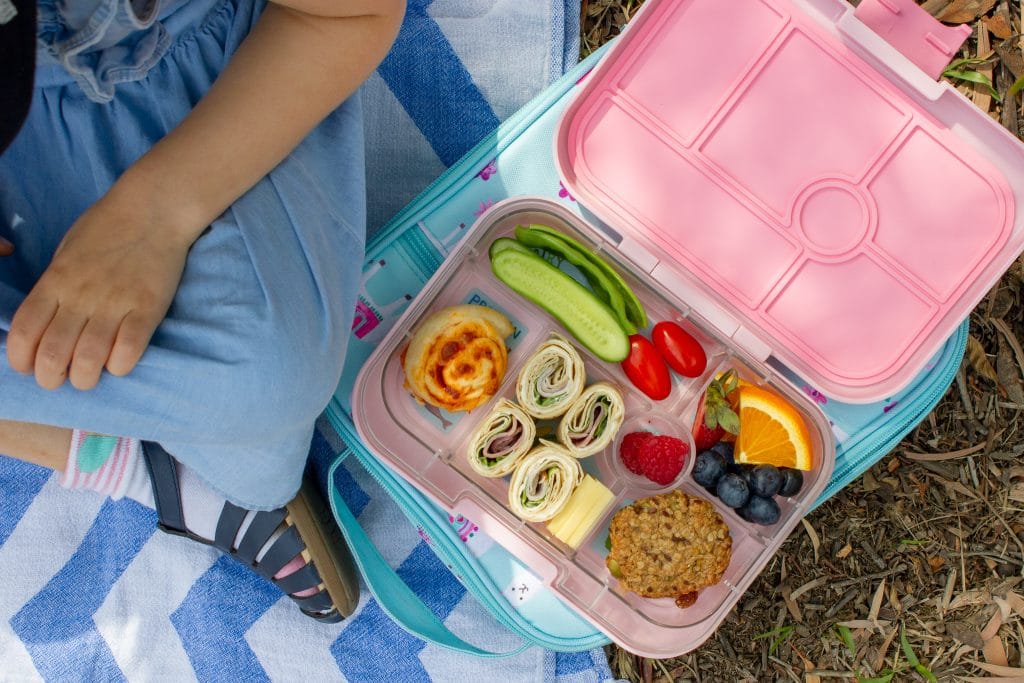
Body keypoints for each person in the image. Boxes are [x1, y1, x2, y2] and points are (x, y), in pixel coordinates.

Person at [0, 0, 405, 622]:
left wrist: (154, 219)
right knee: (252, 422)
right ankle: (135, 465)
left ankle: (138, 442)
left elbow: (348, 15)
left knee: (268, 382)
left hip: (205, 89)